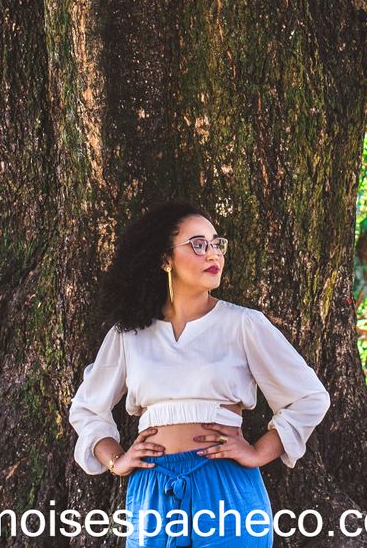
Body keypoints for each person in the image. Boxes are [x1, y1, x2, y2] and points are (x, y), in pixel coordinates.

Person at [68, 201, 332, 548]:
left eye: (217, 244)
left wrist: (256, 452)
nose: (213, 254)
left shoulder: (243, 324)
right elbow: (87, 409)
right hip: (152, 489)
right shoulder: (129, 334)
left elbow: (309, 397)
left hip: (226, 485)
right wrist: (116, 460)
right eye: (198, 244)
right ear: (165, 259)